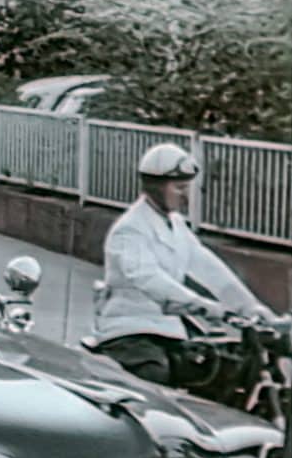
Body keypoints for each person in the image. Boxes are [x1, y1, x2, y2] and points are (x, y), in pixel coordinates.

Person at [91, 143, 285, 386]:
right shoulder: (130, 230)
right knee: (153, 376)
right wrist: (203, 306)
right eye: (179, 188)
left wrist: (251, 308)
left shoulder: (176, 226)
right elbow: (148, 278)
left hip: (169, 329)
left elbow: (212, 271)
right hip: (129, 330)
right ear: (155, 187)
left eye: (187, 187)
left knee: (220, 369)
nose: (186, 195)